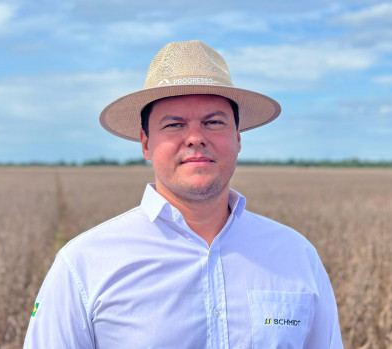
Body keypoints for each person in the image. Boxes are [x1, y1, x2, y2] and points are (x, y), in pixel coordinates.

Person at [24, 40, 343, 348]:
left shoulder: (297, 258)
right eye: (174, 125)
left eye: (213, 122)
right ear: (146, 143)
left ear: (238, 139)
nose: (195, 138)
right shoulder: (82, 266)